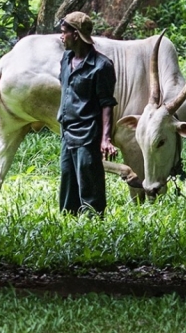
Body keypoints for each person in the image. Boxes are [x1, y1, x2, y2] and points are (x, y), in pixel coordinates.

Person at [57, 11, 118, 216]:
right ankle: (68, 219)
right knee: (68, 178)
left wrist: (106, 138)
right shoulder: (66, 59)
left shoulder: (101, 66)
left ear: (76, 35)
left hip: (88, 132)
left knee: (89, 179)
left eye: (64, 32)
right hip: (67, 130)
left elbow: (106, 104)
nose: (61, 36)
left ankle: (93, 220)